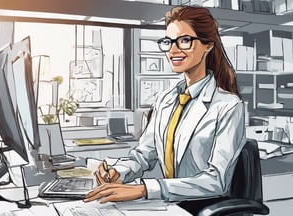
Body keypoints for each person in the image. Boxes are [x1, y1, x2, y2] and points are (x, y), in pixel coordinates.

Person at [84, 5, 246, 214]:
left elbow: (216, 181)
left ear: (208, 45)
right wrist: (119, 172)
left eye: (185, 40)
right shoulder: (166, 100)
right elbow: (144, 155)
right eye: (168, 42)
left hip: (199, 208)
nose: (173, 50)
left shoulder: (227, 105)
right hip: (169, 205)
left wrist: (143, 189)